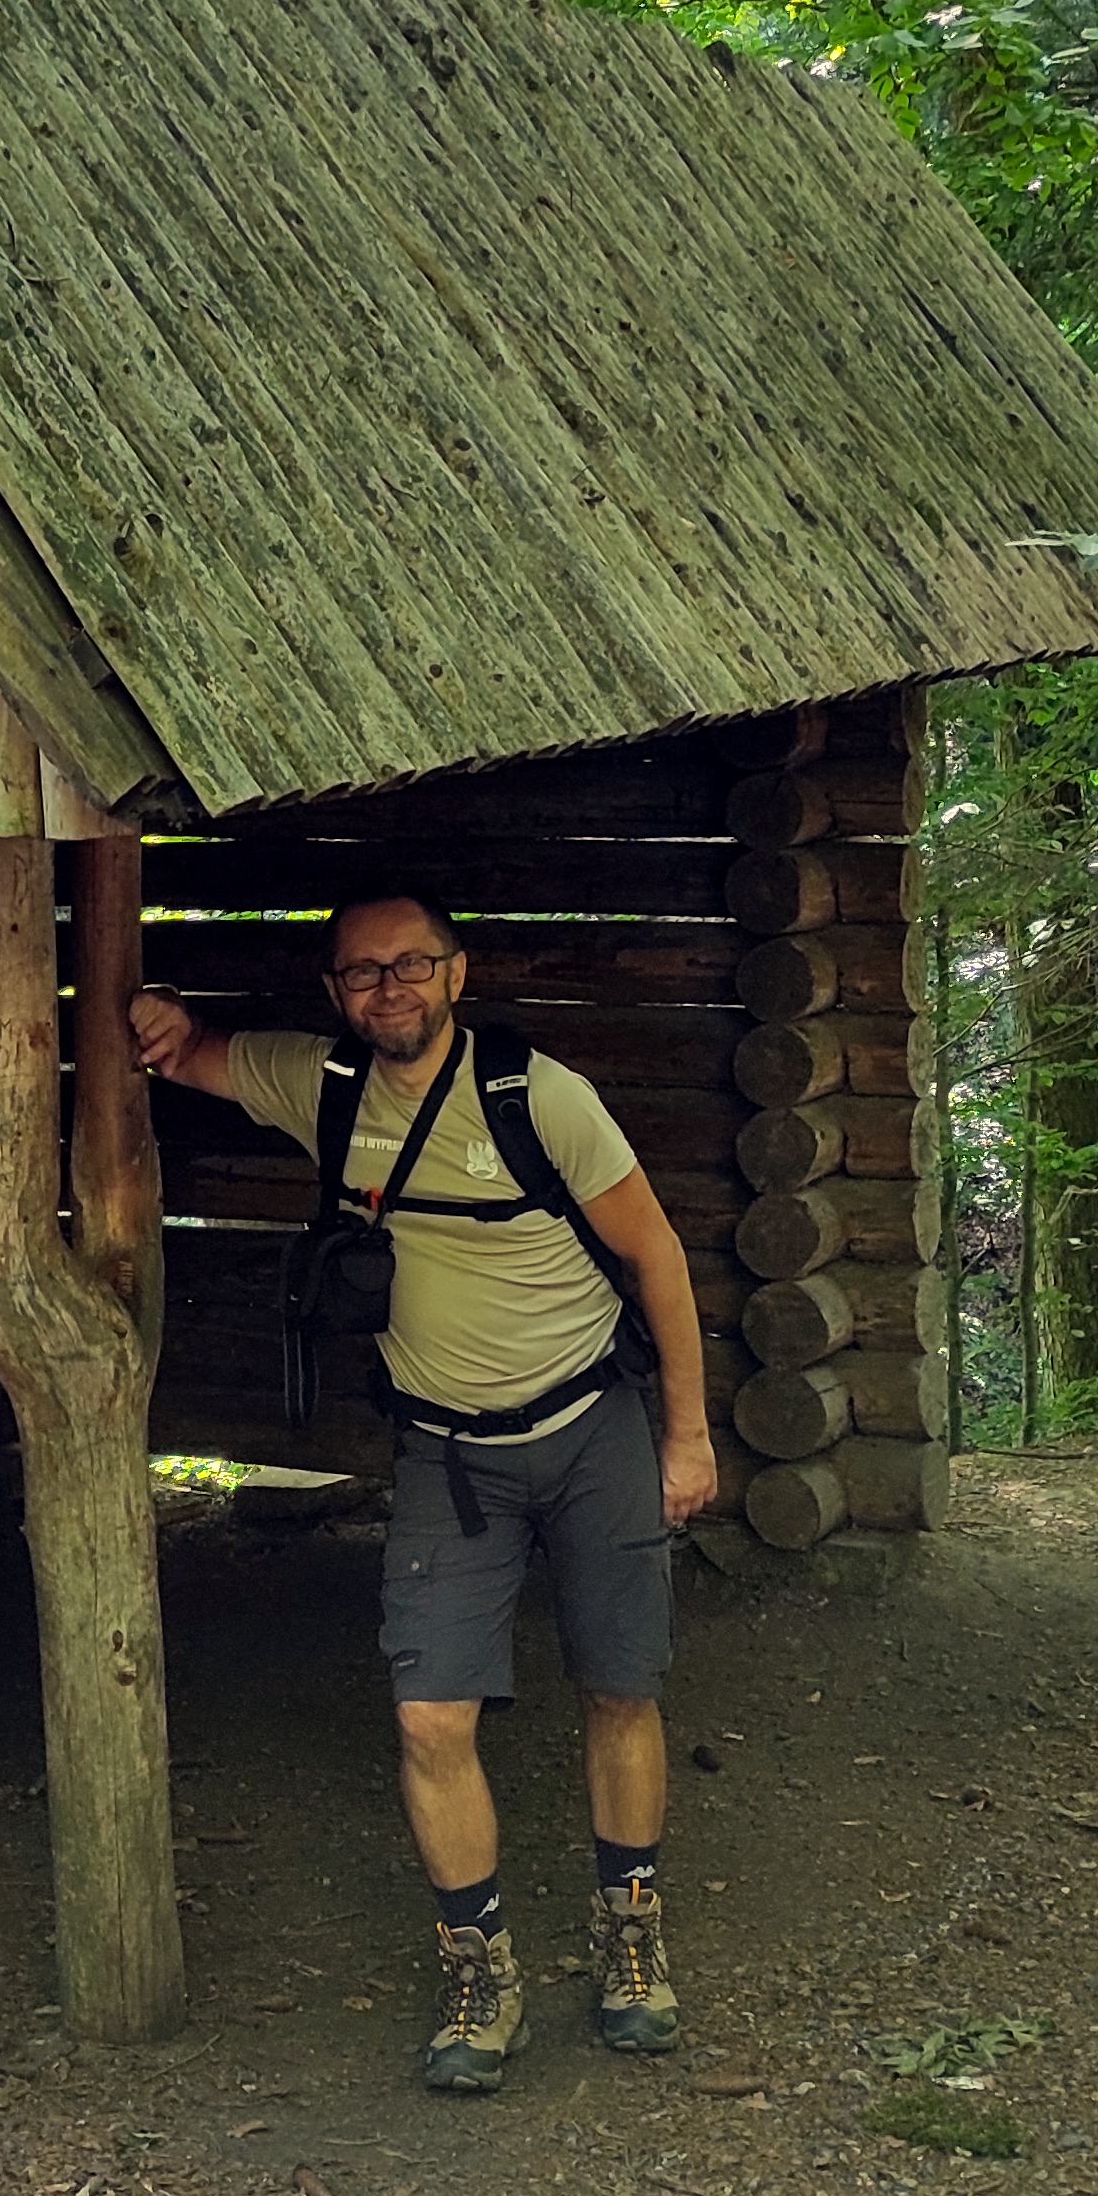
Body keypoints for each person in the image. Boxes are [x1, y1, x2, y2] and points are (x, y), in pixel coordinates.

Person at [130, 894, 720, 2095]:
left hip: (588, 1422)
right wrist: (140, 1015)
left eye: (410, 966)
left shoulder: (535, 1096)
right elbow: (185, 1056)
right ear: (334, 989)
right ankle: (479, 1967)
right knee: (427, 1717)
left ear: (458, 972)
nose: (386, 989)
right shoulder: (322, 1084)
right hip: (446, 1458)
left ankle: (631, 1942)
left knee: (618, 1685)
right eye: (361, 973)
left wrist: (687, 1435)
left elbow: (654, 1256)